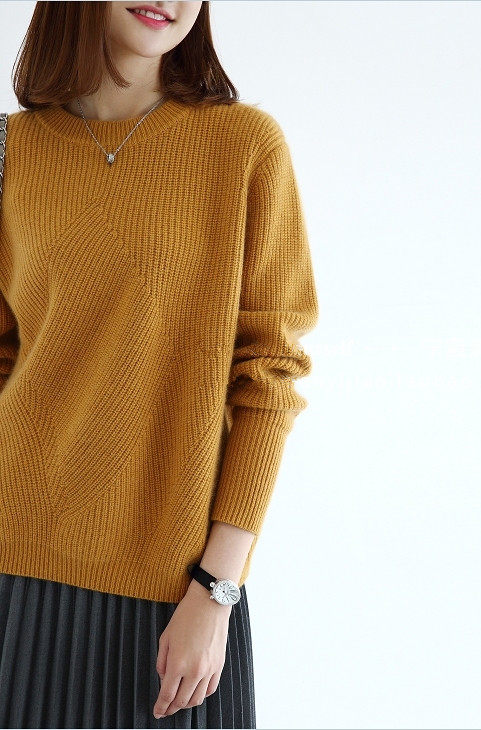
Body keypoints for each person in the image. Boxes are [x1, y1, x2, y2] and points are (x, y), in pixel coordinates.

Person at [0, 1, 318, 728]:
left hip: (176, 598)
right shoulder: (13, 150)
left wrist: (218, 588)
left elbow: (270, 375)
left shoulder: (244, 147)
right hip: (12, 564)